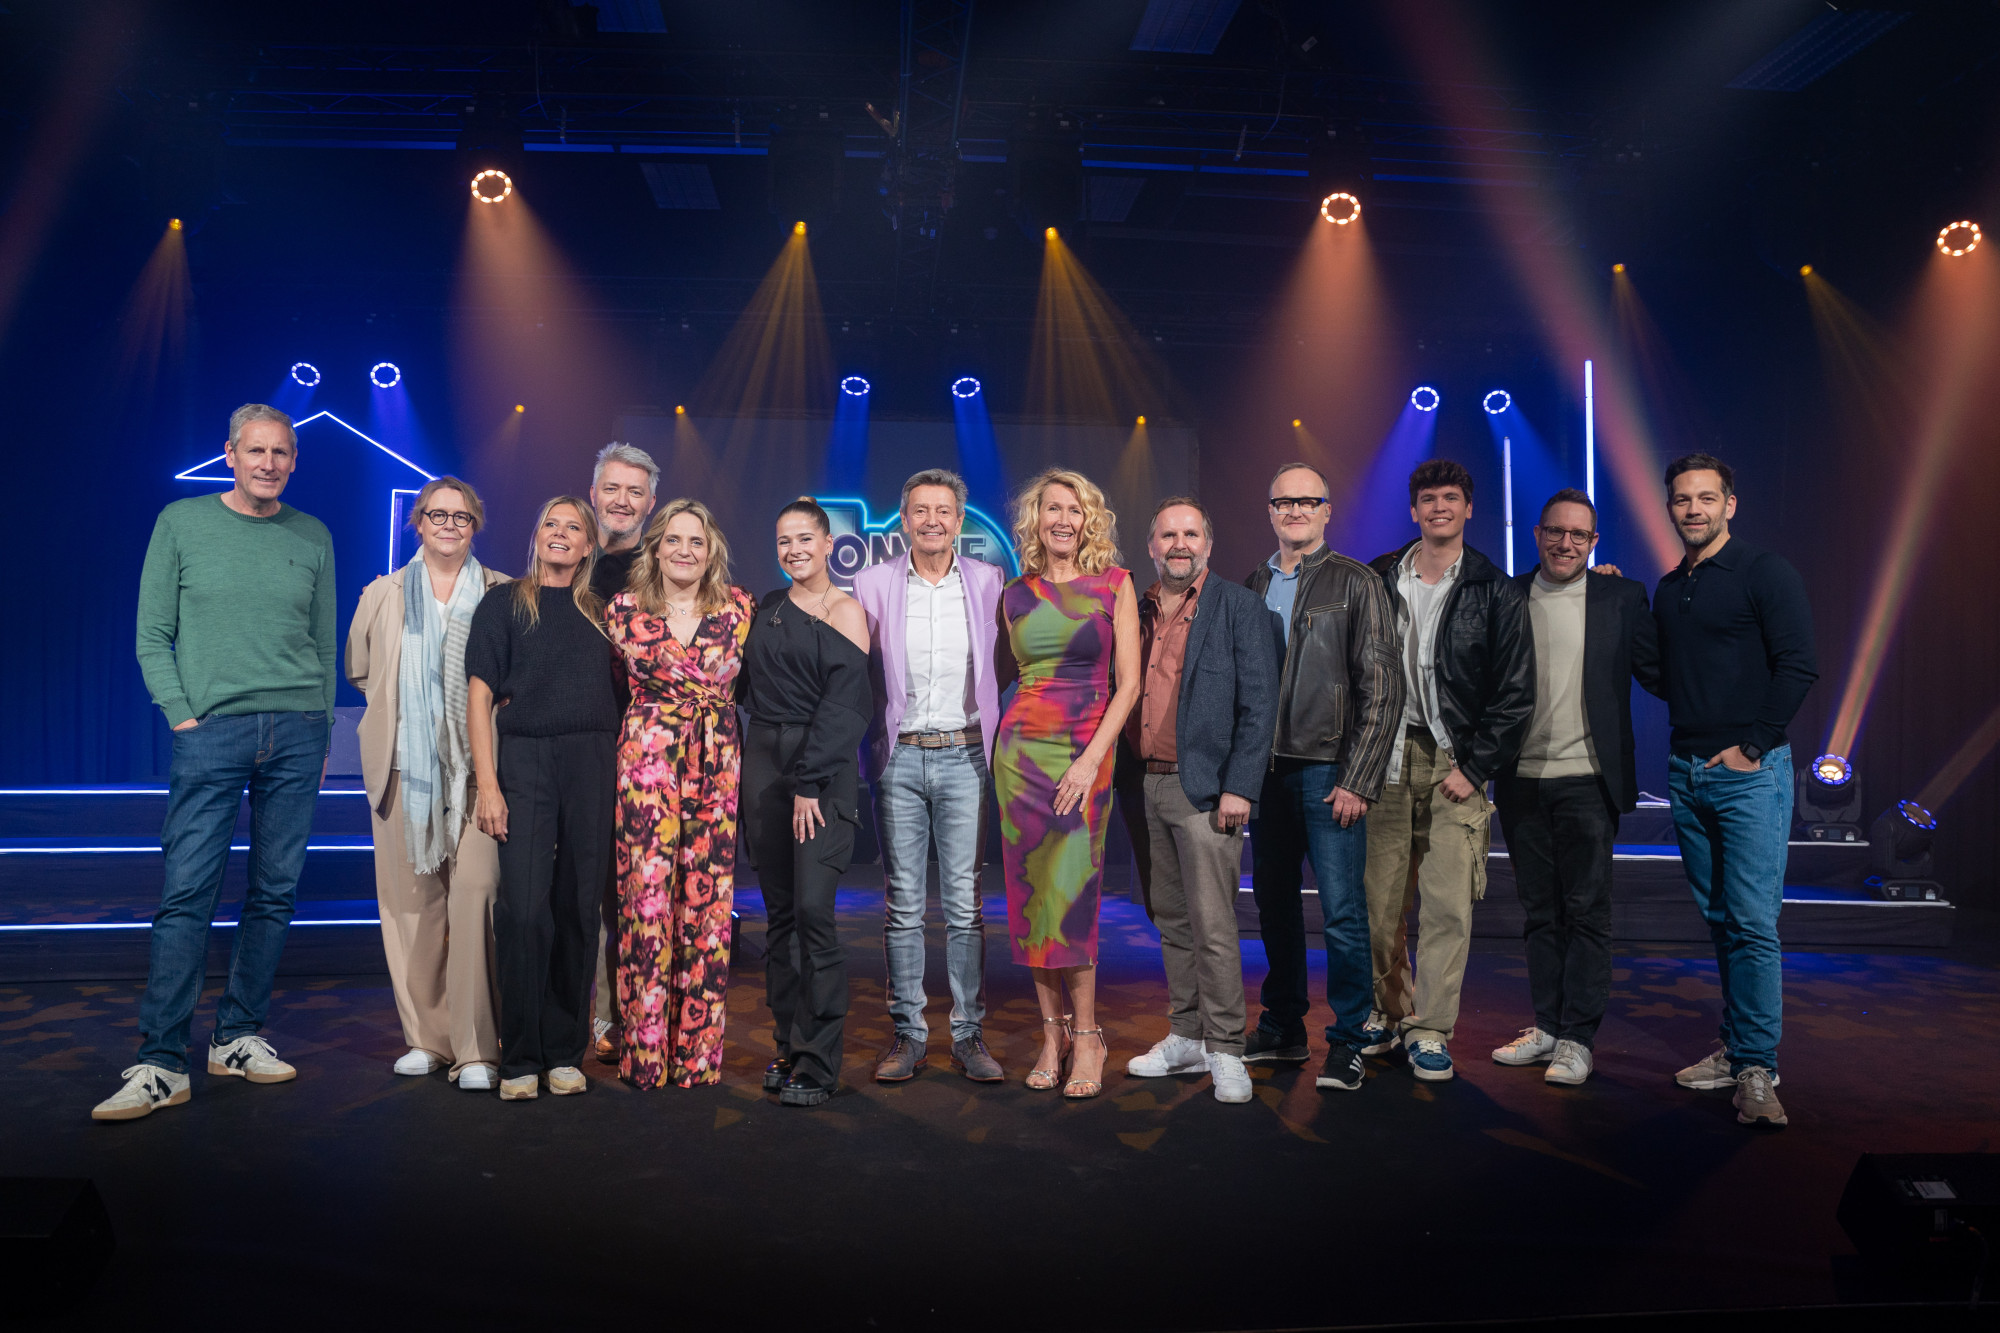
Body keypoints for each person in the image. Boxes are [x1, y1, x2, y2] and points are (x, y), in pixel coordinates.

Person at [97, 404, 335, 1122]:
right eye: (256, 451)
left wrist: (322, 726)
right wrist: (181, 713)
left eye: (281, 452)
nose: (269, 463)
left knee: (274, 892)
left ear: (294, 460)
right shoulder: (181, 521)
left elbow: (323, 643)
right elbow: (151, 634)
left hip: (297, 729)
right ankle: (162, 1060)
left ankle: (236, 1035)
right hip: (211, 732)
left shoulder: (313, 533)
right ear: (230, 454)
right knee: (187, 893)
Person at [1653, 453, 1816, 1130]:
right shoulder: (1670, 588)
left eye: (1705, 497)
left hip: (1749, 774)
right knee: (1722, 919)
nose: (1693, 509)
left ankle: (1757, 1067)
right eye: (1682, 499)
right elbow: (1664, 673)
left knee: (1751, 921)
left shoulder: (1765, 572)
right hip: (1687, 773)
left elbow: (1799, 665)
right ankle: (1738, 1047)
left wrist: (1751, 747)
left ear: (1730, 504)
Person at [1365, 459, 1534, 1082]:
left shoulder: (1494, 587)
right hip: (1385, 757)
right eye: (1429, 498)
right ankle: (1388, 1015)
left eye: (1452, 497)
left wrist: (1476, 765)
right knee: (1378, 907)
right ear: (1414, 510)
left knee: (1446, 908)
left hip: (1452, 762)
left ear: (1468, 508)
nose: (1440, 507)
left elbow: (1516, 692)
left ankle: (1430, 1029)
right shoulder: (1379, 576)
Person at [346, 476, 510, 1091]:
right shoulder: (382, 593)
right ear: (416, 522)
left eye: (461, 516)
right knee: (411, 907)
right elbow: (360, 669)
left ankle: (476, 1048)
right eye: (437, 515)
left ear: (475, 525)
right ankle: (427, 1040)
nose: (448, 525)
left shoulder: (500, 592)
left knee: (476, 895)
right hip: (403, 770)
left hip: (480, 772)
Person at [1243, 463, 1404, 1094]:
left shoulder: (1357, 581)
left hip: (1330, 773)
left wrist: (1358, 778)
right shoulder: (1255, 582)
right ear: (1270, 511)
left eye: (1308, 501)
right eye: (1284, 501)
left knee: (1342, 913)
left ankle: (1349, 1041)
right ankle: (1283, 1027)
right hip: (1266, 775)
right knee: (1275, 907)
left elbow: (1383, 689)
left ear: (1327, 510)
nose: (1295, 510)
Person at [1489, 489, 1658, 1088]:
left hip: (1589, 781)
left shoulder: (1621, 597)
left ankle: (1578, 1038)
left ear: (1593, 543)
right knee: (1540, 913)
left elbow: (1660, 673)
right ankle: (1547, 1026)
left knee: (1586, 913)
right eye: (1555, 532)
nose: (1566, 543)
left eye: (1578, 535)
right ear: (1536, 535)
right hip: (1521, 780)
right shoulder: (1505, 595)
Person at [1119, 498, 1278, 1104]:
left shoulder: (1239, 606)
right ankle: (1187, 1036)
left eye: (1190, 534)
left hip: (1208, 790)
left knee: (1213, 925)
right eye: (1168, 535)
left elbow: (1259, 704)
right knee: (1171, 920)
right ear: (1152, 546)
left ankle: (1227, 1048)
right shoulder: (1136, 609)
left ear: (1207, 544)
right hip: (1146, 784)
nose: (1179, 544)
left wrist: (1240, 785)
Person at [851, 469, 1007, 1085]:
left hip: (967, 755)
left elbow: (1005, 664)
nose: (933, 520)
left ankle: (968, 1035)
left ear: (960, 521)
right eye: (921, 510)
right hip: (901, 757)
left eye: (944, 511)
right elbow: (858, 675)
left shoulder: (990, 580)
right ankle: (909, 1035)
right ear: (904, 519)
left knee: (966, 906)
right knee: (905, 906)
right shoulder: (871, 582)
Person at [466, 496, 621, 1101]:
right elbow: (480, 697)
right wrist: (488, 785)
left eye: (573, 527)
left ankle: (563, 1053)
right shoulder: (503, 603)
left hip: (592, 761)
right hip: (525, 759)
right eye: (551, 524)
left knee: (579, 910)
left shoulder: (605, 612)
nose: (560, 533)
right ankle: (520, 1056)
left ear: (588, 545)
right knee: (524, 911)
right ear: (536, 536)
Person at [994, 469, 1141, 1100]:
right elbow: (1002, 678)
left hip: (1087, 754)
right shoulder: (1014, 594)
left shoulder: (1115, 584)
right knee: (1032, 899)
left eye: (1074, 510)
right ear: (1036, 520)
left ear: (1089, 521)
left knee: (1072, 895)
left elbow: (1128, 685)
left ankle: (1087, 1036)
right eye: (1052, 508)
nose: (1063, 519)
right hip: (1021, 758)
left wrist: (1089, 761)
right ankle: (1050, 1036)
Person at [604, 499, 756, 1089]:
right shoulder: (624, 609)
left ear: (711, 551)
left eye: (696, 541)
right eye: (673, 539)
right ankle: (643, 1055)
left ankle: (696, 1057)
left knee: (708, 910)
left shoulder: (738, 608)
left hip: (717, 763)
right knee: (645, 902)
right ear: (656, 548)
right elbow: (613, 687)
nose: (684, 550)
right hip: (647, 763)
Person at [740, 499, 872, 1108]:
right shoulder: (766, 608)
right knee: (781, 917)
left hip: (819, 771)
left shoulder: (846, 611)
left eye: (804, 539)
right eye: (783, 541)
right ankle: (787, 1046)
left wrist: (810, 783)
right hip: (762, 765)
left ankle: (819, 1060)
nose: (793, 550)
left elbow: (847, 707)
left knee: (814, 912)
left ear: (827, 545)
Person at [587, 442, 661, 1064]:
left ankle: (614, 1015)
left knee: (628, 890)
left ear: (650, 503)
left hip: (640, 748)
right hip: (572, 742)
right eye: (612, 488)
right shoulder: (566, 555)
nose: (621, 501)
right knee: (569, 888)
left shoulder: (661, 569)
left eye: (634, 492)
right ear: (594, 493)